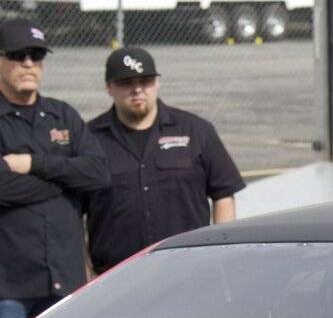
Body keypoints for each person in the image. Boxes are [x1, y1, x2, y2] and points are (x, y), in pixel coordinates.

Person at [85, 47, 244, 274]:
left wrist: (221, 254)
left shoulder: (196, 130)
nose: (137, 89)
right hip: (116, 276)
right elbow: (71, 213)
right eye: (126, 82)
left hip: (189, 270)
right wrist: (85, 272)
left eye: (145, 81)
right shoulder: (89, 140)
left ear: (157, 83)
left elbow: (223, 194)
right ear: (109, 87)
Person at [0, 18, 109, 318]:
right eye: (18, 55)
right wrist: (64, 181)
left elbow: (98, 174)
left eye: (37, 56)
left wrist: (33, 163)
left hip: (64, 282)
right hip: (9, 288)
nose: (28, 64)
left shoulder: (63, 115)